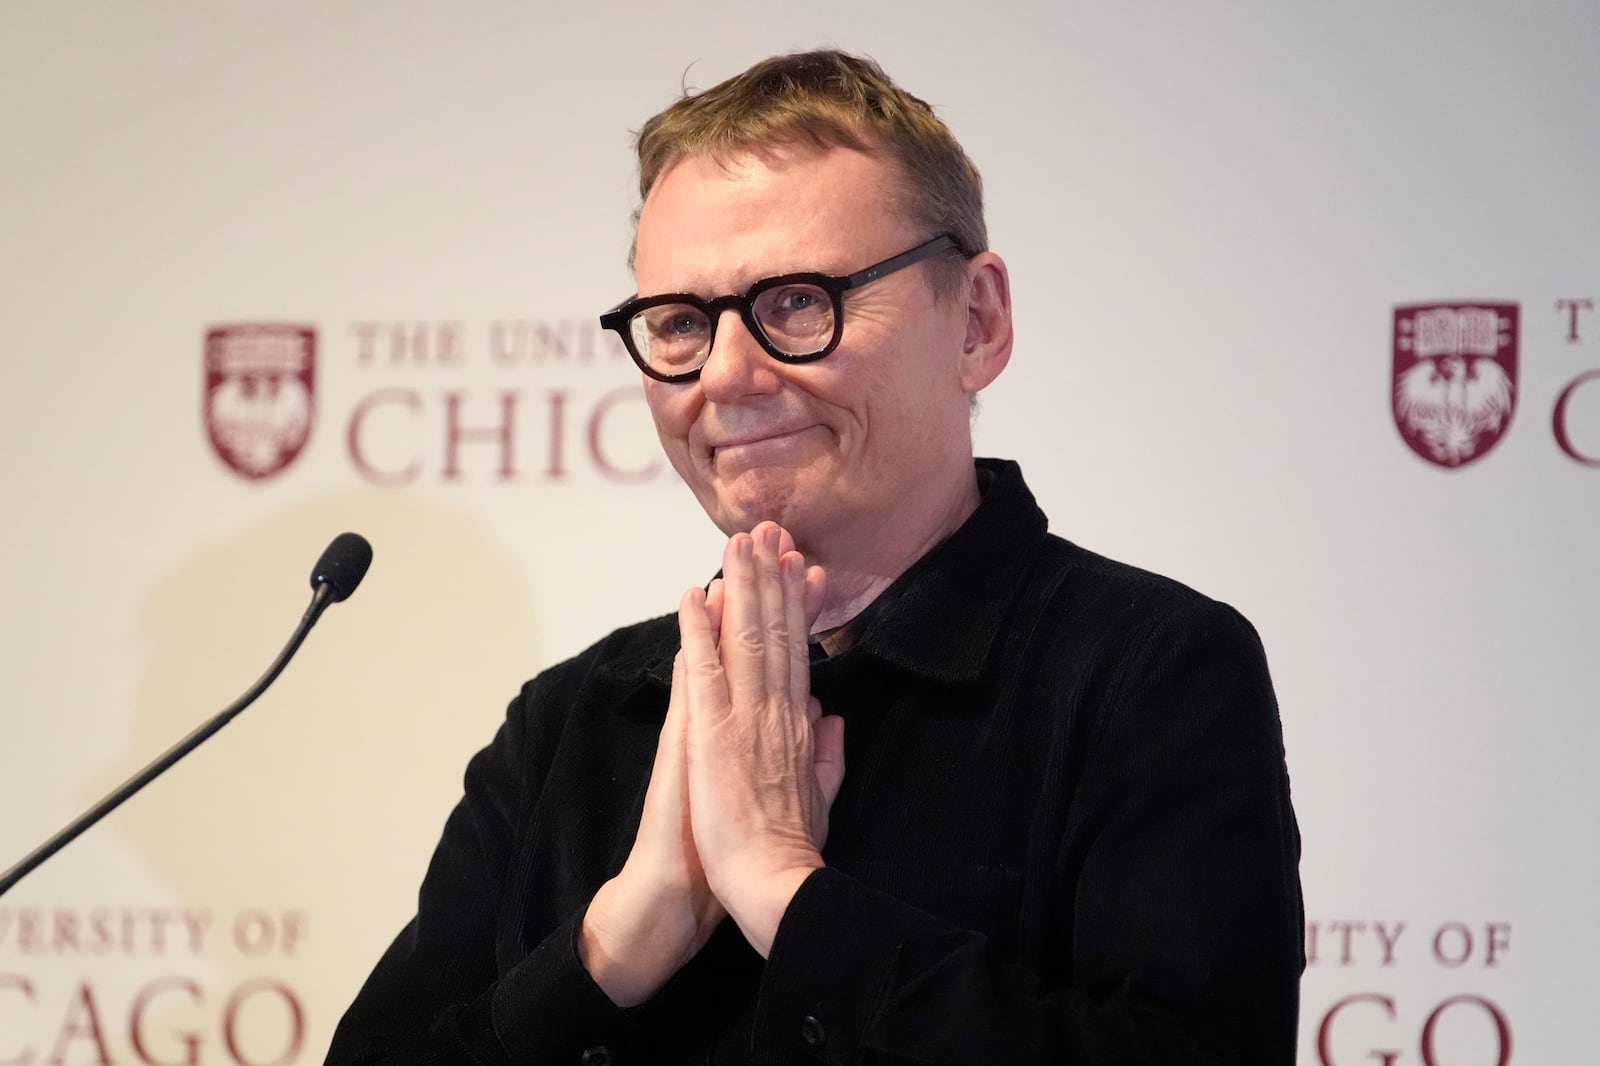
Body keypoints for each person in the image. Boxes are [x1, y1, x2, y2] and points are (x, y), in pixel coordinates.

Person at [327, 50, 1303, 1065]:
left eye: (796, 301)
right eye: (679, 322)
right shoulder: (573, 720)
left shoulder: (1147, 675)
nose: (727, 375)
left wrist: (790, 898)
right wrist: (612, 946)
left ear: (975, 322)